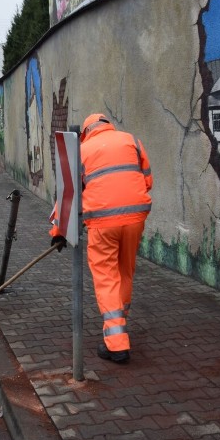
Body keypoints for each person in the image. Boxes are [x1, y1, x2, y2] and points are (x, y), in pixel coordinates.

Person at [50, 113, 152, 363]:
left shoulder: (82, 150)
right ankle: (119, 323)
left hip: (103, 222)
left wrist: (58, 232)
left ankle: (116, 343)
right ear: (108, 126)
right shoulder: (132, 141)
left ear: (85, 132)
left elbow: (68, 195)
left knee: (106, 277)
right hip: (135, 217)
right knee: (124, 272)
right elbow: (147, 181)